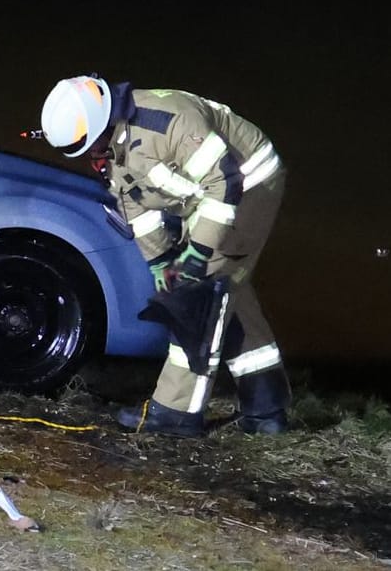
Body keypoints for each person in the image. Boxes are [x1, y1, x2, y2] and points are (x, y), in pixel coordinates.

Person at [39, 75, 290, 437]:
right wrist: (161, 261)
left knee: (198, 296)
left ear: (100, 123)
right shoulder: (114, 147)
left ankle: (176, 411)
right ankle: (267, 409)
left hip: (249, 186)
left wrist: (197, 253)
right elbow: (138, 207)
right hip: (207, 199)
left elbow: (224, 181)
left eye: (89, 146)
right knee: (228, 292)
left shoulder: (168, 120)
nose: (91, 157)